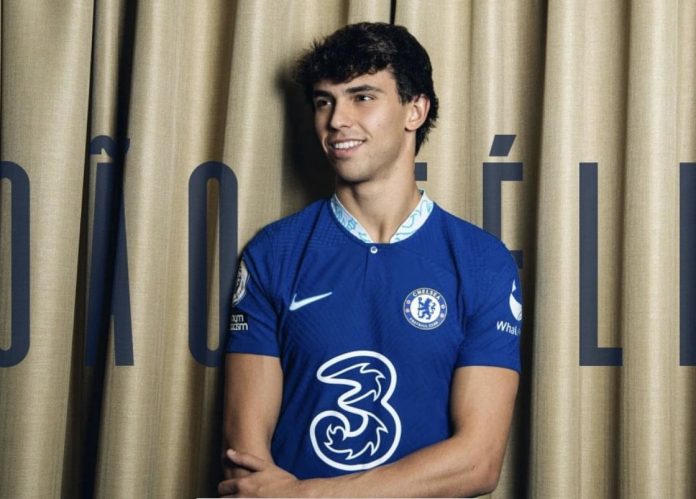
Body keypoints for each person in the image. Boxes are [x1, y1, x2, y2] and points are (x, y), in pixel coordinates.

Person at [218, 22, 522, 498]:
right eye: (324, 101)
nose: (337, 119)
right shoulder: (273, 253)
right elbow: (245, 460)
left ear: (415, 110)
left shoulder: (483, 262)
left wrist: (308, 495)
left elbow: (478, 463)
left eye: (362, 97)